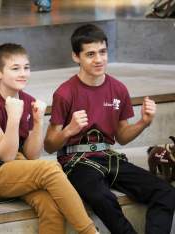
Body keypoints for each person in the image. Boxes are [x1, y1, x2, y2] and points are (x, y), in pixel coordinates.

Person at [44, 23, 175, 234]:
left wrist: (144, 122)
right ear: (76, 57)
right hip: (76, 163)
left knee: (165, 192)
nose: (99, 59)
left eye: (103, 52)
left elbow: (122, 136)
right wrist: (69, 130)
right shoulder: (65, 93)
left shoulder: (118, 88)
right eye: (90, 54)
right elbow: (49, 145)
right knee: (102, 197)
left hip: (108, 157)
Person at [0, 43, 98, 234]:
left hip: (18, 166)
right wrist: (13, 118)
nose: (23, 73)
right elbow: (5, 156)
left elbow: (32, 155)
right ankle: (90, 232)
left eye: (26, 67)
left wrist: (38, 123)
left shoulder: (28, 100)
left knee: (50, 205)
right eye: (15, 68)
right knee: (50, 167)